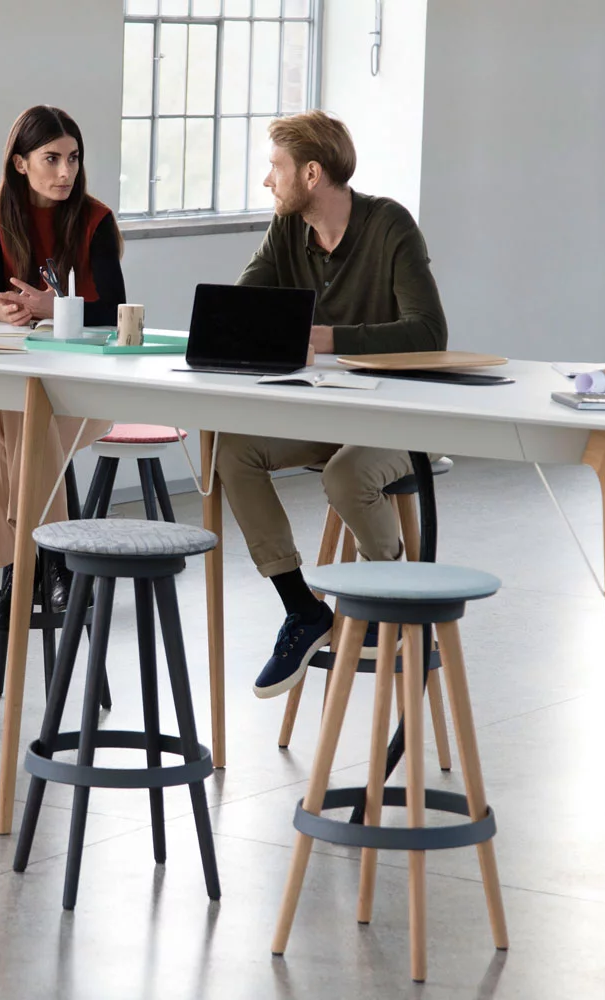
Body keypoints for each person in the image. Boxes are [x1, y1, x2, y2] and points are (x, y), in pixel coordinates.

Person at [216, 110, 448, 700]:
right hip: (328, 412)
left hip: (405, 416)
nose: (268, 181)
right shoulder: (287, 231)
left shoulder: (390, 224)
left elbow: (428, 333)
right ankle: (303, 611)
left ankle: (388, 598)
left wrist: (332, 338)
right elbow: (241, 311)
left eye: (276, 168)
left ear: (312, 174)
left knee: (347, 475)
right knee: (234, 449)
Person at [0, 105, 125, 629]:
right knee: (21, 404)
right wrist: (1, 309)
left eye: (73, 159)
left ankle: (22, 569)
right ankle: (47, 566)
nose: (65, 172)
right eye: (51, 159)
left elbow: (115, 312)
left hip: (87, 391)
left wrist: (52, 307)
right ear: (19, 163)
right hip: (19, 377)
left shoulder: (95, 219)